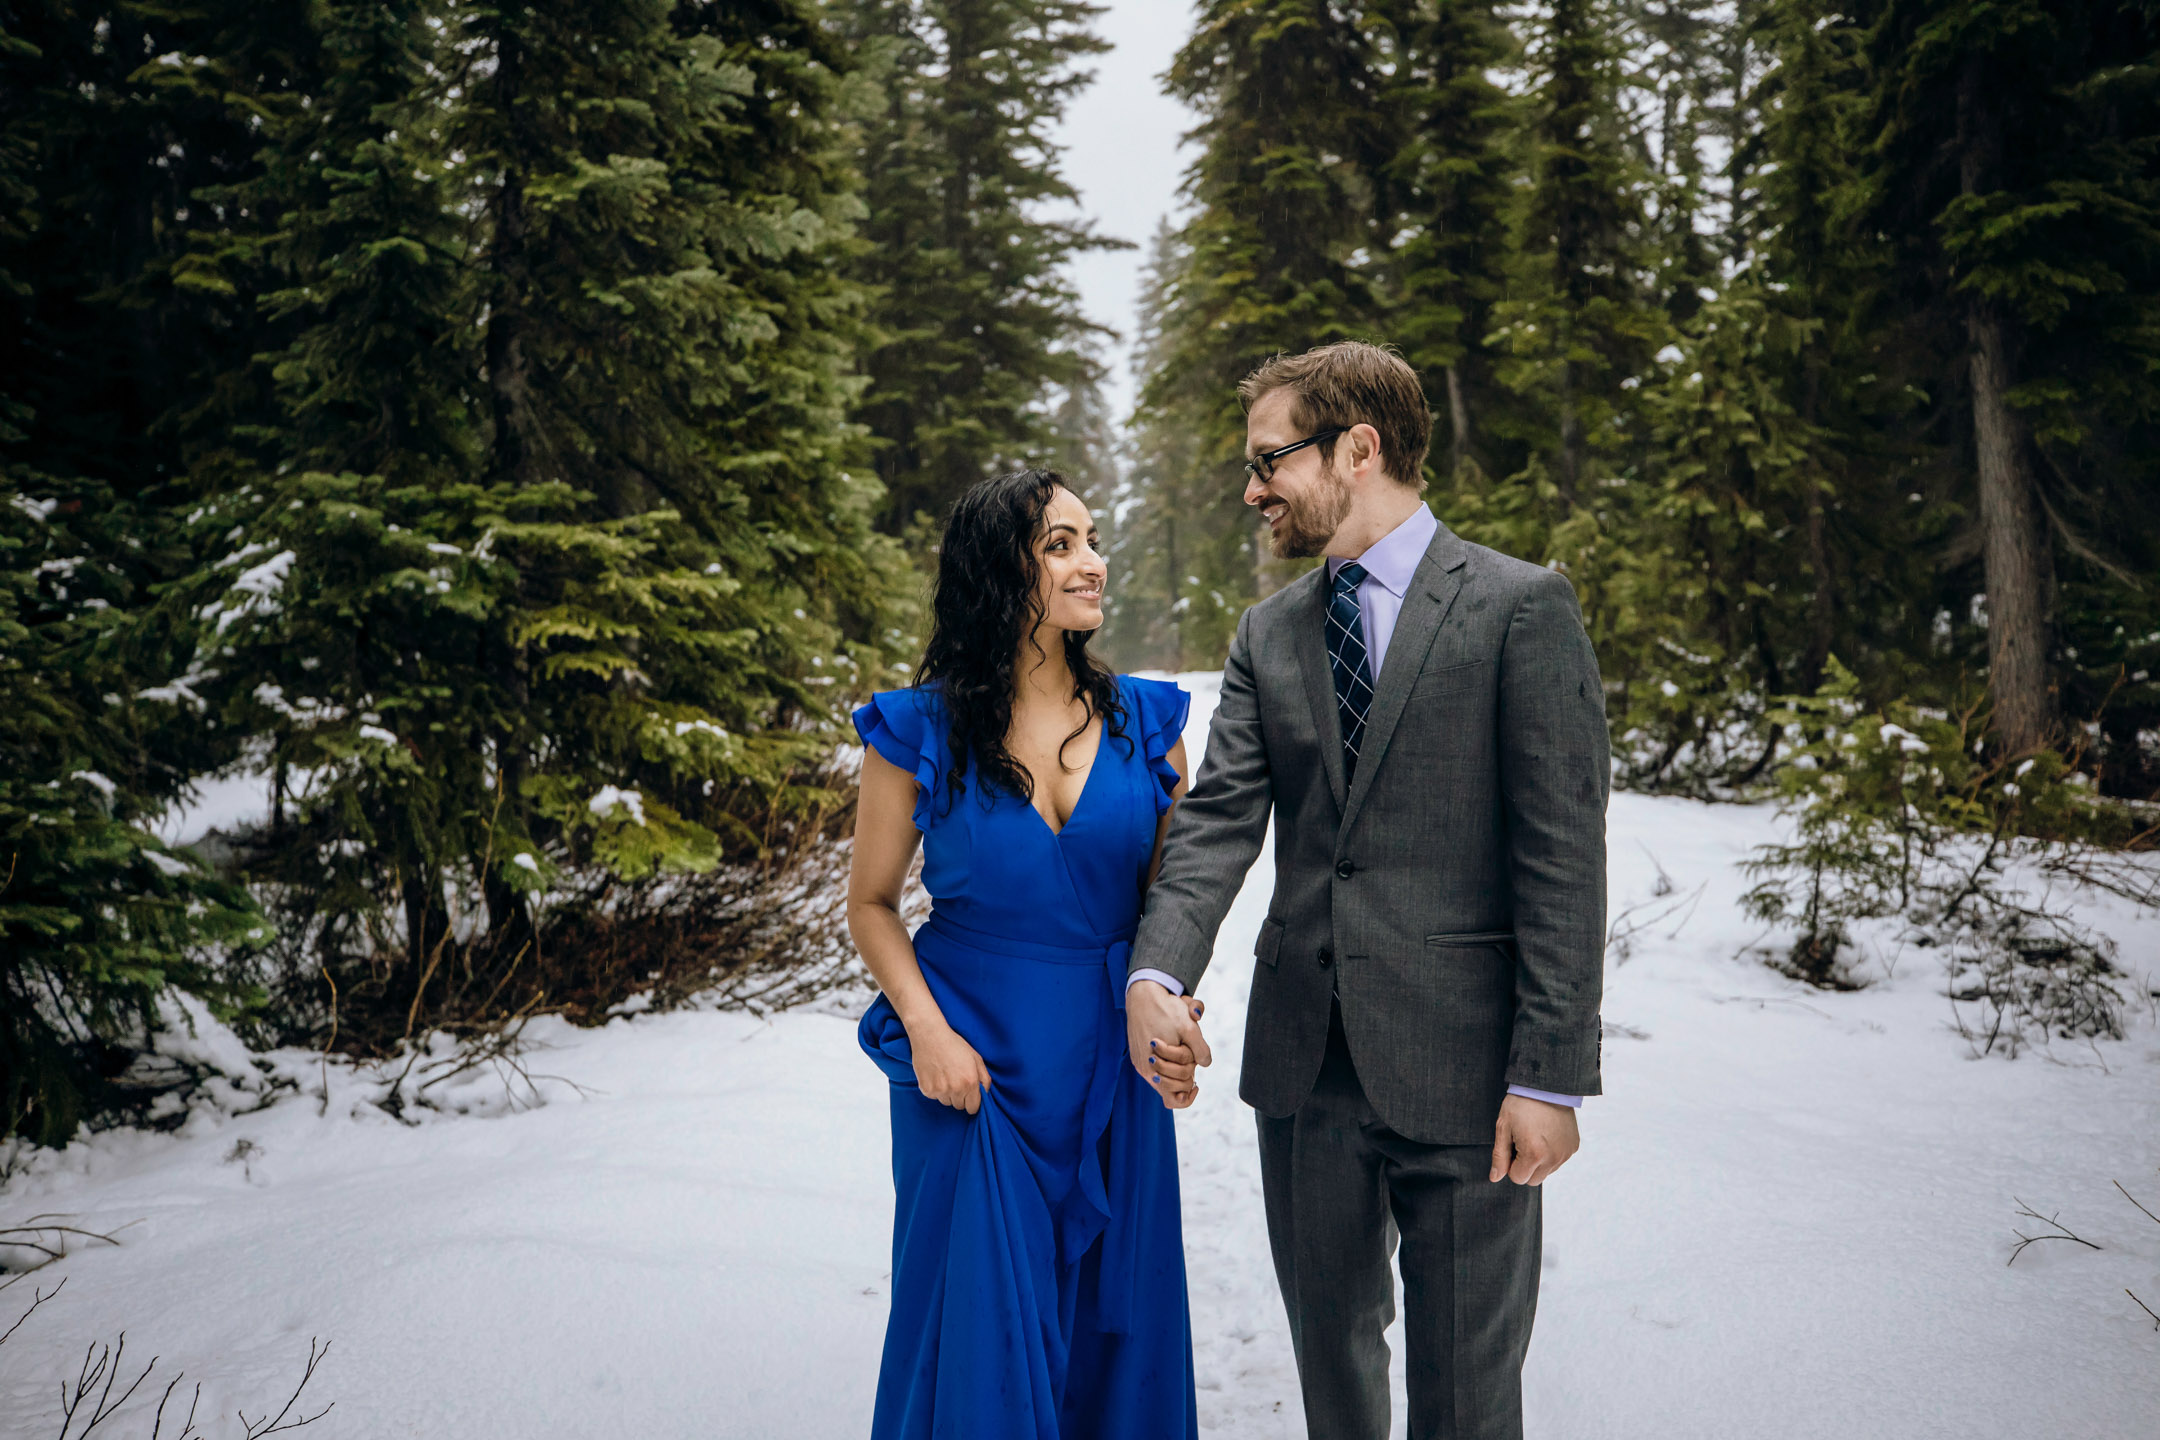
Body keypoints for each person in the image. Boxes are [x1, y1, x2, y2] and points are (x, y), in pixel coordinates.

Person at [1124, 341, 1610, 1440]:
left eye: (1269, 461)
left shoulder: (1519, 608)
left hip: (1468, 1077)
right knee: (1335, 1393)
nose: (1253, 490)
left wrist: (1552, 1076)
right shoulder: (1268, 633)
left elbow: (1564, 858)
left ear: (1359, 448)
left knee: (1466, 1403)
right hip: (1306, 1075)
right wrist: (1159, 968)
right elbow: (1216, 823)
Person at [845, 469, 1202, 1440]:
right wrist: (926, 1031)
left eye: (1092, 539)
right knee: (975, 1348)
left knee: (1116, 1334)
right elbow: (871, 904)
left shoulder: (1149, 724)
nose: (1092, 562)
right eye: (1061, 544)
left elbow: (1177, 902)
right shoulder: (914, 730)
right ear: (1002, 568)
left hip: (1111, 1065)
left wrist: (1170, 1003)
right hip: (969, 1069)